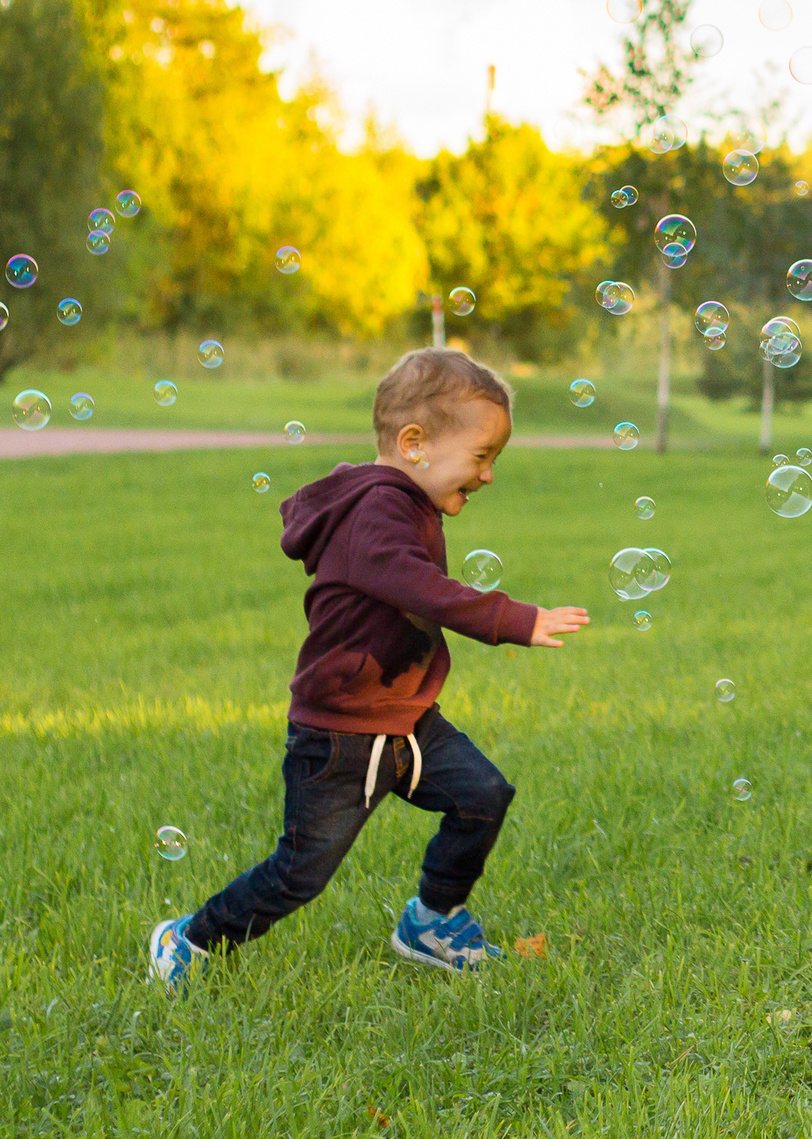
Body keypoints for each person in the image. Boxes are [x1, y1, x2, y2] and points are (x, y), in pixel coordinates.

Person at [148, 349, 590, 990]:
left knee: (482, 796)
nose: (490, 474)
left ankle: (432, 920)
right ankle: (189, 938)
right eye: (482, 455)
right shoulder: (377, 508)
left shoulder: (406, 503)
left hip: (406, 717)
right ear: (415, 443)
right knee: (301, 873)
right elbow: (418, 586)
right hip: (342, 732)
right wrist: (514, 619)